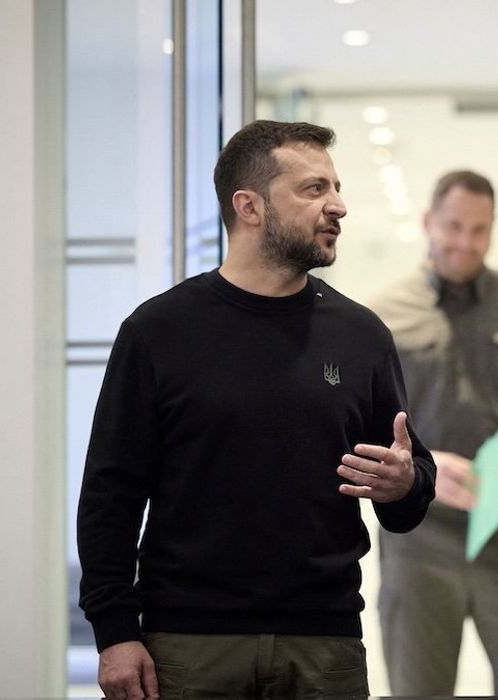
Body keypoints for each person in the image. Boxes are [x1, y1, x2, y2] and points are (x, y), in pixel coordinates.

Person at [77, 120, 436, 700]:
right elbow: (109, 495)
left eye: (336, 187)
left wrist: (404, 483)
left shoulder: (360, 334)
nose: (338, 205)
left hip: (326, 646)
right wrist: (114, 633)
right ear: (249, 206)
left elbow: (408, 487)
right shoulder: (158, 331)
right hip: (188, 646)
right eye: (314, 189)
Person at [371, 170, 498, 696]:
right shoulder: (382, 317)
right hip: (418, 534)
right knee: (418, 689)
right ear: (428, 222)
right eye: (453, 227)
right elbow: (357, 424)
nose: (464, 242)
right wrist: (420, 466)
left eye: (479, 229)